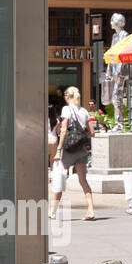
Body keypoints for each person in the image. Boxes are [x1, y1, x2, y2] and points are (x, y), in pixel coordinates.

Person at [50, 86, 96, 221]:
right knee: (83, 180)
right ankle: (91, 210)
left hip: (68, 150)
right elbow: (92, 132)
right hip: (81, 149)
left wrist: (58, 150)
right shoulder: (84, 111)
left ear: (68, 96)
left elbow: (63, 131)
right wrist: (80, 136)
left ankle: (53, 211)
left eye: (65, 95)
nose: (64, 98)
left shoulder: (66, 109)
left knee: (59, 179)